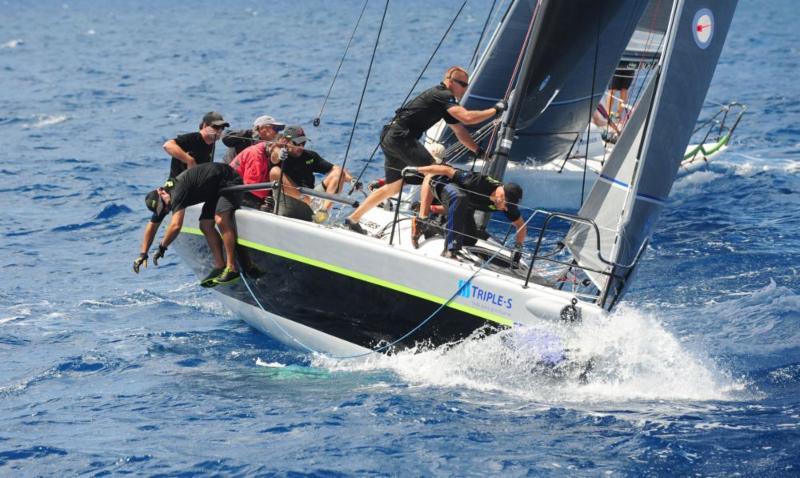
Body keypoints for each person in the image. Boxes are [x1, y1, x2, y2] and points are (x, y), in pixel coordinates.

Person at [344, 66, 506, 234]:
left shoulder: (445, 103)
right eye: (463, 84)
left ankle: (353, 218)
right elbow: (468, 118)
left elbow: (460, 131)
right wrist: (496, 110)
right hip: (400, 136)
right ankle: (422, 220)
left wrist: (478, 151)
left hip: (391, 136)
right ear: (451, 81)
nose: (466, 89)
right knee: (434, 171)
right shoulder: (443, 95)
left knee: (393, 187)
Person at [132, 162, 243, 287]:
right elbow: (152, 225)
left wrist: (162, 247)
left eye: (164, 206)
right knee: (205, 225)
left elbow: (176, 225)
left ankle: (231, 268)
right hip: (214, 190)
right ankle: (220, 266)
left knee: (220, 219)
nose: (165, 210)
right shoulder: (163, 201)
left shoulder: (176, 192)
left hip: (228, 180)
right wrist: (143, 254)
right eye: (162, 210)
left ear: (162, 192)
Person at [404, 164, 525, 262]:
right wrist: (417, 169)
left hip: (462, 203)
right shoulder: (478, 182)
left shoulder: (507, 206)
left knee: (469, 239)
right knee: (460, 197)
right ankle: (450, 250)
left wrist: (518, 248)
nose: (506, 209)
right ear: (502, 195)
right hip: (440, 182)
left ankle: (430, 227)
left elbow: (521, 225)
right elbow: (446, 170)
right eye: (506, 205)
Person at [269, 126, 352, 222]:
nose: (301, 146)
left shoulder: (310, 156)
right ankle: (311, 202)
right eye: (297, 143)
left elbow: (336, 169)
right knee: (275, 171)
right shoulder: (280, 154)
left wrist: (352, 180)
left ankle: (322, 213)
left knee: (338, 172)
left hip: (311, 205)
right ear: (285, 141)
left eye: (303, 142)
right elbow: (274, 154)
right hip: (290, 207)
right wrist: (279, 152)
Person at [163, 111, 229, 180]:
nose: (220, 130)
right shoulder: (194, 138)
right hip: (174, 184)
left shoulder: (211, 144)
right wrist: (190, 160)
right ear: (205, 126)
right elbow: (168, 145)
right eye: (216, 127)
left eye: (222, 127)